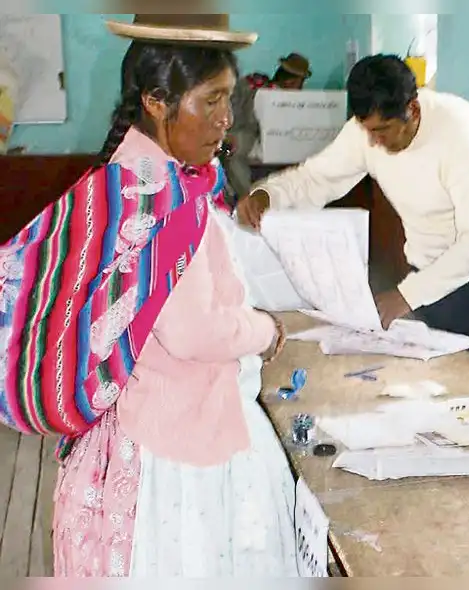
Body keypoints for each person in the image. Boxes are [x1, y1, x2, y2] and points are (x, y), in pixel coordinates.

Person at [0, 15, 301, 576]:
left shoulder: (123, 179)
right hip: (180, 446)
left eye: (228, 98)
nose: (226, 117)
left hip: (133, 430)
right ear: (157, 101)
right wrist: (266, 328)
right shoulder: (164, 196)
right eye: (211, 100)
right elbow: (193, 333)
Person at [236, 54, 469, 338]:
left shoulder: (461, 135)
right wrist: (268, 194)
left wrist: (406, 295)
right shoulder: (368, 131)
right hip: (425, 267)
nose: (374, 141)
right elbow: (316, 179)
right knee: (432, 359)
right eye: (367, 130)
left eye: (383, 130)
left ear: (413, 109)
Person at [222, 52, 312, 205]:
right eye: (300, 82)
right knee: (234, 152)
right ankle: (247, 198)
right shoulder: (256, 88)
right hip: (245, 130)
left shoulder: (296, 101)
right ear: (292, 81)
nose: (300, 87)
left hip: (261, 137)